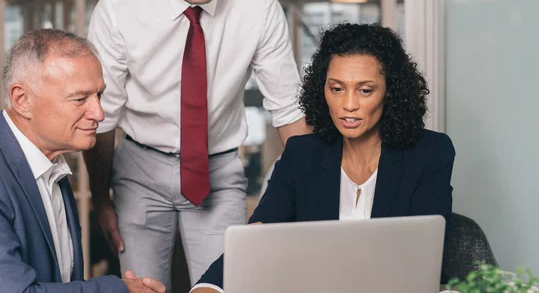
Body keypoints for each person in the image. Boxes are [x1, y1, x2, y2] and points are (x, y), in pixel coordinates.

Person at [84, 0, 308, 289]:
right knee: (143, 288)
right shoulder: (118, 10)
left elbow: (288, 110)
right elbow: (104, 116)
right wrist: (100, 198)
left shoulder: (258, 7)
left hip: (218, 171)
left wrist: (310, 194)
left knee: (226, 286)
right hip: (139, 171)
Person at [192, 22, 456, 292]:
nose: (348, 104)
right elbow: (258, 237)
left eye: (365, 90)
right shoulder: (301, 154)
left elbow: (426, 254)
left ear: (389, 92)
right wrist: (210, 286)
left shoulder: (430, 152)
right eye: (337, 88)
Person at [0, 30, 165, 293]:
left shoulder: (50, 160)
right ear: (22, 100)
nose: (98, 113)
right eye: (80, 99)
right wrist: (118, 289)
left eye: (99, 96)